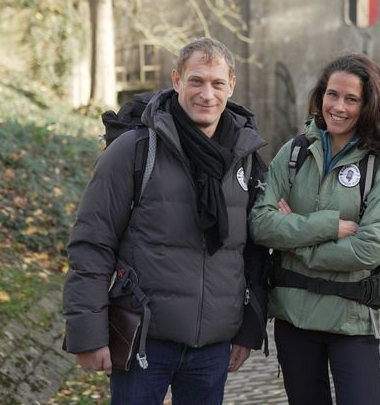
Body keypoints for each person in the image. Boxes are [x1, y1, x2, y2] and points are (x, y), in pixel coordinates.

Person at [62, 37, 269, 405]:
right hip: (145, 340)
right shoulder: (134, 150)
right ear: (177, 80)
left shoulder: (247, 160)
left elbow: (254, 253)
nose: (207, 94)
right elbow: (92, 243)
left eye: (217, 83)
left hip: (212, 348)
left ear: (231, 86)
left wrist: (248, 329)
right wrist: (88, 335)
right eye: (196, 81)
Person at [249, 52, 380, 405]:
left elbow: (370, 248)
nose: (339, 106)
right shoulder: (293, 154)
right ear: (321, 95)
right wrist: (328, 226)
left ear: (366, 106)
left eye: (352, 99)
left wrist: (295, 241)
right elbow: (260, 224)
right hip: (294, 318)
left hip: (350, 320)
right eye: (332, 94)